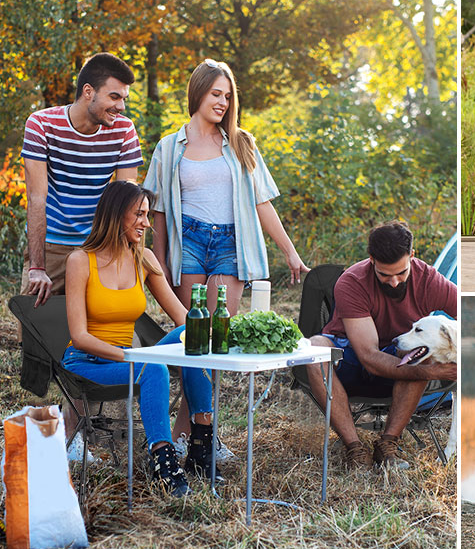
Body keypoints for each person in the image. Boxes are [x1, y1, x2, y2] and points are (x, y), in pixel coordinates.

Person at [142, 59, 308, 448]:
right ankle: (195, 431)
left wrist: (290, 251)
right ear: (198, 92)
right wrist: (162, 264)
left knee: (215, 341)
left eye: (228, 96)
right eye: (216, 93)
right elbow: (159, 213)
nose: (222, 102)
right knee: (193, 342)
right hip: (189, 244)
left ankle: (195, 432)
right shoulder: (169, 147)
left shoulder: (240, 143)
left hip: (230, 247)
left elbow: (262, 202)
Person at [61, 181, 214, 497]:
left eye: (146, 214)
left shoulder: (143, 258)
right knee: (152, 367)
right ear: (116, 215)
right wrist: (132, 356)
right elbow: (79, 336)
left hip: (128, 358)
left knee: (192, 335)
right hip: (86, 361)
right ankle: (164, 466)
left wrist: (214, 331)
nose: (146, 222)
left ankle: (202, 443)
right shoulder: (80, 261)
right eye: (139, 214)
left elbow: (183, 317)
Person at [303, 221, 458, 470]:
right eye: (385, 275)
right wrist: (433, 372)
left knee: (420, 354)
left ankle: (387, 446)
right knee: (315, 347)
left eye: (401, 273)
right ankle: (354, 447)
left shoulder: (429, 280)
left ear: (412, 256)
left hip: (398, 360)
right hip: (351, 359)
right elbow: (369, 356)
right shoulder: (352, 282)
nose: (394, 282)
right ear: (372, 260)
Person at [22, 52, 142, 304]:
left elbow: (127, 201)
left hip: (97, 247)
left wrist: (121, 260)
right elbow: (36, 197)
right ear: (88, 91)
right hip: (51, 244)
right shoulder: (41, 124)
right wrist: (37, 267)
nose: (121, 107)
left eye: (124, 99)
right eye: (114, 97)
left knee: (98, 334)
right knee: (35, 336)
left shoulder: (124, 129)